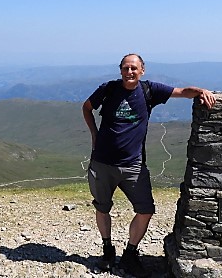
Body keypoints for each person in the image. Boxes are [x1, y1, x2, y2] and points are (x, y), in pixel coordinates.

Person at [82, 53, 215, 277]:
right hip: (102, 162)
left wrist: (202, 91)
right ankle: (107, 250)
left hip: (133, 165)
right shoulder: (109, 89)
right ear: (120, 70)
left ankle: (130, 253)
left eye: (134, 68)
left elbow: (181, 92)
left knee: (145, 210)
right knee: (102, 207)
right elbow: (86, 107)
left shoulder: (149, 90)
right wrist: (94, 134)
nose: (129, 72)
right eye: (125, 68)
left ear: (142, 70)